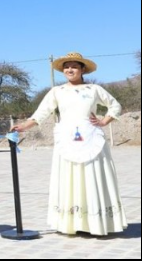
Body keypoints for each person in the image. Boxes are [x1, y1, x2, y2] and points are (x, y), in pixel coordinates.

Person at [11, 52, 128, 236]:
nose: (70, 70)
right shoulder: (57, 91)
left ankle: (95, 223)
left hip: (91, 139)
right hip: (66, 139)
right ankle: (72, 223)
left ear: (82, 70)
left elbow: (115, 106)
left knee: (91, 177)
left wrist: (104, 121)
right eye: (66, 67)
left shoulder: (94, 89)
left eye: (74, 66)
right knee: (69, 178)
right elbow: (41, 113)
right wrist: (24, 126)